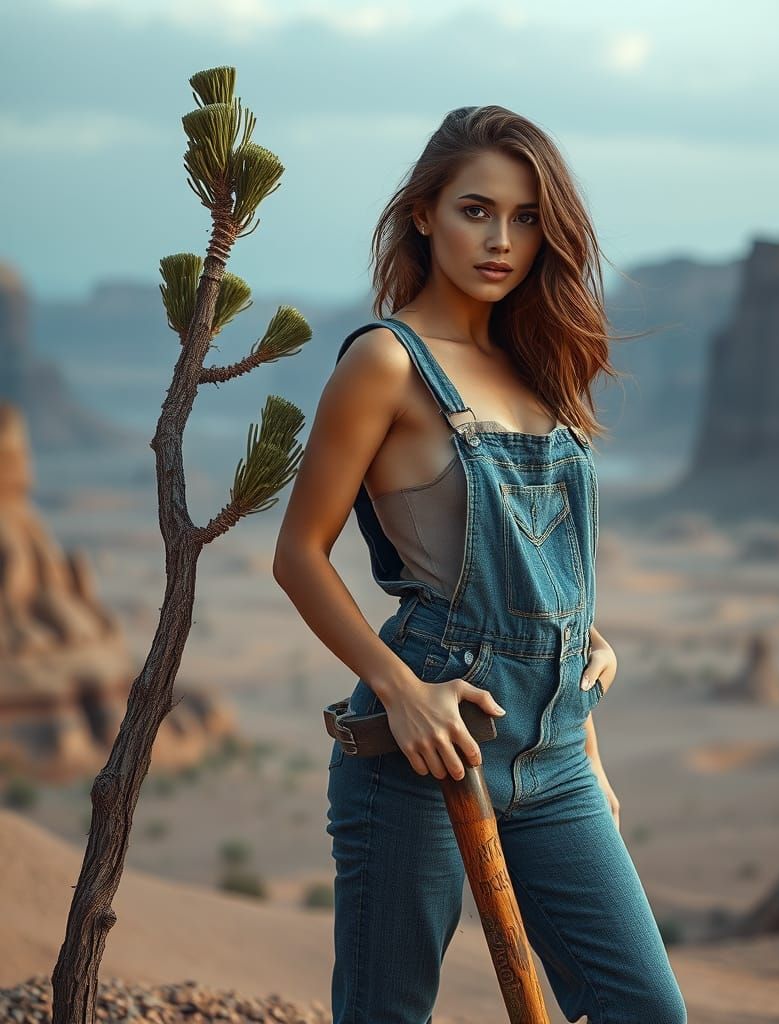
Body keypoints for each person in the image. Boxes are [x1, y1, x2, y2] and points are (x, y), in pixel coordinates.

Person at [274, 105, 687, 1024]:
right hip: (423, 736)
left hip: (557, 749)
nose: (502, 240)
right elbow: (298, 554)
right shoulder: (387, 362)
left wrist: (581, 664)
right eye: (476, 210)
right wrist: (401, 688)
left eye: (528, 217)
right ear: (423, 214)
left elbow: (540, 563)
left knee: (646, 1009)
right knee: (388, 1014)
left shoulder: (539, 363)